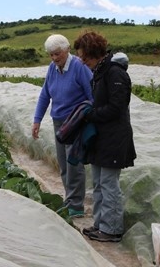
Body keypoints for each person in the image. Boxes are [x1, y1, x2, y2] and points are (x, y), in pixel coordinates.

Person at [73, 30, 137, 243]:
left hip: (114, 138)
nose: (83, 62)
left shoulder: (114, 73)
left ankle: (112, 230)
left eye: (85, 57)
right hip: (102, 137)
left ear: (95, 53)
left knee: (110, 184)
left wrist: (91, 114)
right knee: (99, 183)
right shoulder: (100, 72)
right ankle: (100, 224)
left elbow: (117, 108)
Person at [31, 34, 93, 217]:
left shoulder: (79, 68)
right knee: (64, 163)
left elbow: (92, 94)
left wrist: (91, 119)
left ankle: (76, 205)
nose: (54, 58)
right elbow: (45, 95)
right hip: (59, 122)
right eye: (51, 55)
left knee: (74, 163)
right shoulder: (52, 69)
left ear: (67, 50)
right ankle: (70, 199)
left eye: (57, 54)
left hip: (76, 122)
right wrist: (37, 120)